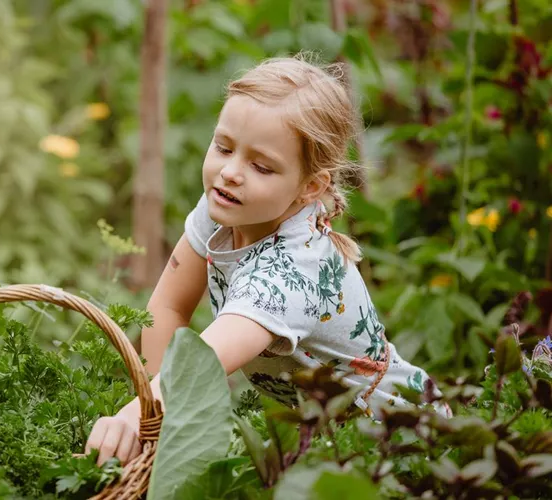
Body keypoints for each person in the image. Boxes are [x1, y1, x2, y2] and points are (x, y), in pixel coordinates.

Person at [85, 54, 450, 467]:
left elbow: (203, 364)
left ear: (309, 186)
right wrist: (151, 414)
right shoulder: (227, 208)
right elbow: (169, 306)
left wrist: (139, 414)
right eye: (223, 147)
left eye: (261, 166)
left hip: (401, 439)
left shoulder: (293, 272)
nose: (230, 173)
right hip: (323, 438)